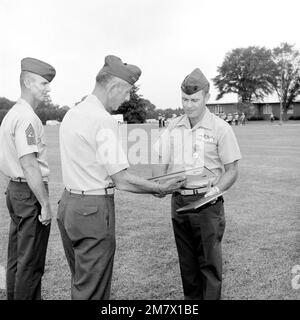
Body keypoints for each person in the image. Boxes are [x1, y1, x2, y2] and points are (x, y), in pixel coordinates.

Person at [57, 55, 185, 300]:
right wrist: (159, 187)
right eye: (126, 92)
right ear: (114, 87)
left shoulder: (73, 113)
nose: (127, 99)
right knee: (92, 290)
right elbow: (122, 179)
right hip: (93, 211)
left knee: (81, 281)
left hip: (69, 205)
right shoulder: (101, 120)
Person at [153, 68, 242, 300]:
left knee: (209, 267)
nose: (189, 105)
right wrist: (163, 182)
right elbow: (160, 162)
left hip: (207, 202)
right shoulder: (173, 126)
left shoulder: (220, 128)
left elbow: (232, 171)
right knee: (188, 266)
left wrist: (214, 192)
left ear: (206, 98)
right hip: (179, 200)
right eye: (184, 99)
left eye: (194, 99)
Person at [0, 57, 56, 299]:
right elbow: (30, 164)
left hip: (15, 189)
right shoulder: (26, 117)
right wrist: (44, 203)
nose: (48, 89)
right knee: (30, 264)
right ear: (27, 82)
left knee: (17, 259)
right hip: (28, 192)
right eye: (43, 83)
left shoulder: (12, 114)